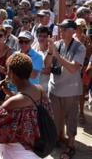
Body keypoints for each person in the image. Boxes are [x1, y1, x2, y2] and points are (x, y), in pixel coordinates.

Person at [0, 53, 54, 159]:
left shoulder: (13, 103)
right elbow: (26, 106)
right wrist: (9, 92)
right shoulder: (40, 90)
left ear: (11, 73)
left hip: (17, 154)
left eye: (7, 70)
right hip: (36, 151)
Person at [44, 19, 86, 159]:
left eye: (64, 29)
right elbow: (46, 65)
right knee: (54, 117)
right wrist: (50, 52)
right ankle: (55, 140)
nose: (61, 31)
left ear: (73, 31)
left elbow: (73, 68)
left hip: (71, 91)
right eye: (61, 28)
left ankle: (70, 144)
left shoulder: (80, 47)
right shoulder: (56, 44)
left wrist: (57, 55)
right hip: (54, 88)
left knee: (71, 119)